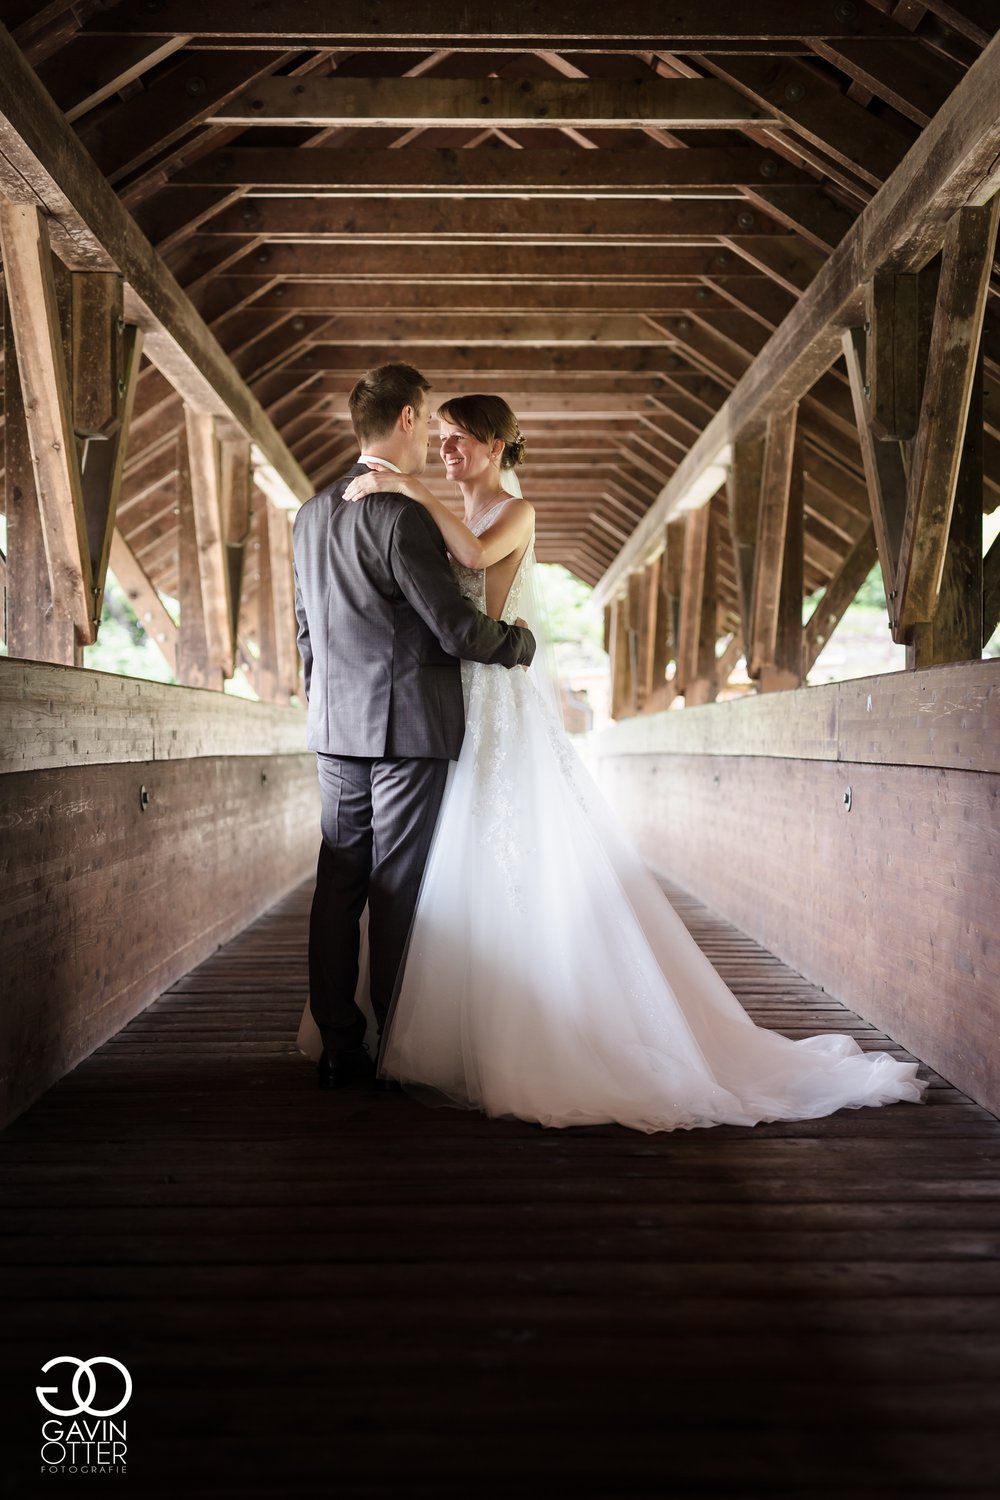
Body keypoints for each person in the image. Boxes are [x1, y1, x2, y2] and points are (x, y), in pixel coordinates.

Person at [301, 391, 926, 1132]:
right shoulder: (422, 514)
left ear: (500, 446)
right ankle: (404, 1029)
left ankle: (400, 1035)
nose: (447, 450)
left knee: (415, 873)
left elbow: (462, 570)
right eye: (441, 438)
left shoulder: (478, 513)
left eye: (462, 439)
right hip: (434, 709)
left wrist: (406, 490)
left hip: (462, 703)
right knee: (412, 878)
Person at [292, 365, 536, 1091]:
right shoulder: (401, 515)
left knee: (337, 884)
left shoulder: (310, 514)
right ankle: (396, 1040)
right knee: (396, 887)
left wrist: (325, 705)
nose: (433, 436)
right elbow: (458, 628)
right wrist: (518, 646)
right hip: (408, 729)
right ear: (404, 419)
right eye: (427, 419)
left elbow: (306, 634)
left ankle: (340, 1042)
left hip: (335, 728)